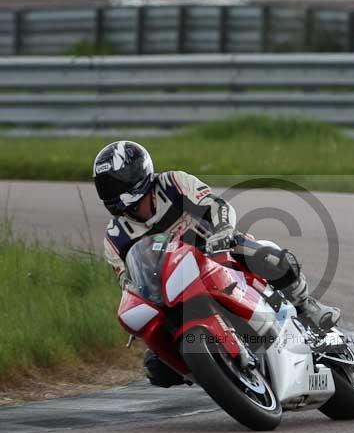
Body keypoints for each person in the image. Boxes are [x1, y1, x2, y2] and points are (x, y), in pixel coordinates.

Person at [93, 140, 340, 387]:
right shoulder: (115, 237)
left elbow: (216, 205)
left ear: (138, 173)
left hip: (217, 253)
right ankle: (216, 370)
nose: (111, 191)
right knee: (155, 368)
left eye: (116, 183)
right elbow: (127, 282)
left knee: (271, 259)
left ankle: (307, 309)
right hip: (171, 291)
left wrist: (222, 231)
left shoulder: (173, 183)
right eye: (106, 186)